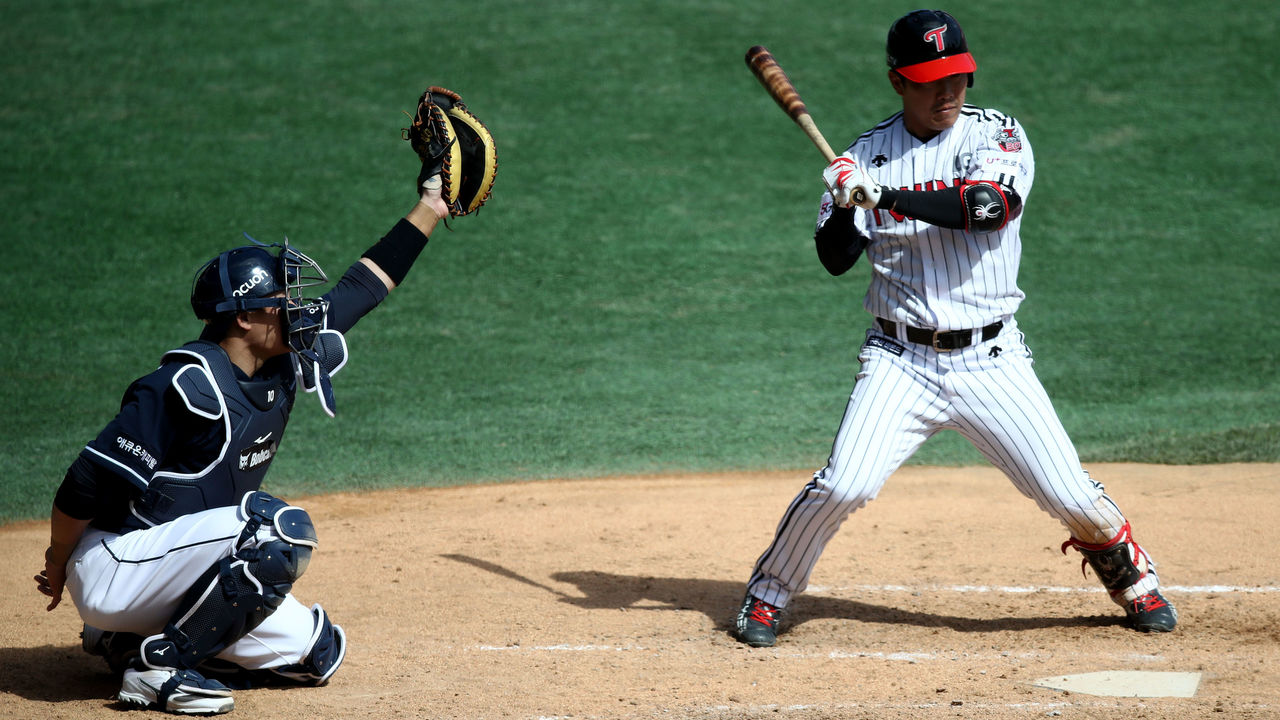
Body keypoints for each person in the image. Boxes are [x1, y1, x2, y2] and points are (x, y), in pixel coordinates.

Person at [733, 9, 1176, 648]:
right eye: (929, 81)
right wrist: (841, 201)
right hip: (898, 360)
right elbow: (835, 260)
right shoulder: (862, 157)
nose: (947, 93)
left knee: (1066, 490)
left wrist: (882, 197)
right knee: (844, 483)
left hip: (992, 359)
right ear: (897, 82)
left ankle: (1122, 563)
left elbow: (990, 208)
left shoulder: (996, 134)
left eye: (958, 78)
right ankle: (769, 591)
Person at [33, 163, 456, 713]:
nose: (294, 306)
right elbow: (85, 482)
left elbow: (362, 287)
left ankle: (129, 641)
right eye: (278, 300)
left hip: (184, 566)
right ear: (242, 320)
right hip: (117, 565)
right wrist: (58, 559)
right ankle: (157, 667)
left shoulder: (281, 357)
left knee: (315, 654)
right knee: (273, 533)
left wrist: (431, 205)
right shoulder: (184, 385)